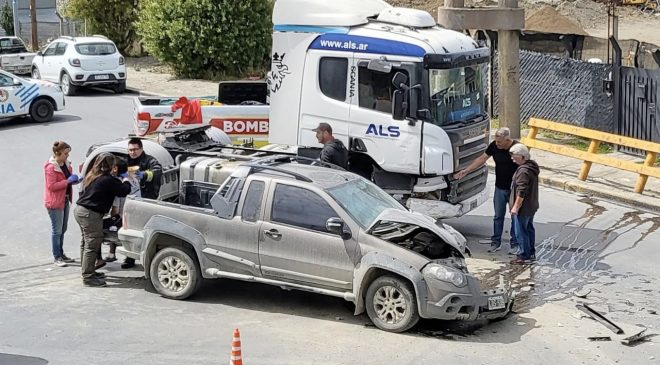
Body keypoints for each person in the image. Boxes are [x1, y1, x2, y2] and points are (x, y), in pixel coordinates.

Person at [454, 127, 519, 254]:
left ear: (507, 140)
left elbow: (525, 166)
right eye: (496, 141)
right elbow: (482, 159)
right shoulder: (494, 146)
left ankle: (515, 243)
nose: (497, 143)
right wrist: (466, 170)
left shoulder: (517, 148)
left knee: (515, 217)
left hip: (514, 188)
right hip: (500, 187)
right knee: (498, 216)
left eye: (500, 142)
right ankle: (496, 242)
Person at [75, 153, 132, 287]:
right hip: (90, 214)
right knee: (92, 244)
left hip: (81, 210)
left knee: (86, 242)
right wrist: (126, 179)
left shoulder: (94, 176)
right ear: (112, 167)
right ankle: (88, 277)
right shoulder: (108, 180)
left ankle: (87, 271)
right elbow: (124, 190)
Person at [122, 137, 163, 268]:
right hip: (130, 200)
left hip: (147, 200)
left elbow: (157, 171)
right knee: (131, 229)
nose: (132, 152)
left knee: (147, 229)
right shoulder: (125, 160)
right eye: (130, 150)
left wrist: (145, 175)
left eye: (135, 149)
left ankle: (149, 258)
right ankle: (130, 257)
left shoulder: (149, 160)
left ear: (141, 149)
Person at [44, 141, 81, 267]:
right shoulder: (51, 168)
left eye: (68, 153)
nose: (67, 156)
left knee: (63, 229)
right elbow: (52, 186)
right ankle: (57, 256)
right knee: (57, 230)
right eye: (65, 153)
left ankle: (61, 253)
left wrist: (75, 180)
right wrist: (67, 181)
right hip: (55, 203)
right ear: (57, 153)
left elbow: (68, 180)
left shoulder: (66, 164)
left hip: (65, 200)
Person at [103, 157, 140, 263]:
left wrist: (113, 216)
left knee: (112, 229)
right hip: (136, 211)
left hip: (124, 215)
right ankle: (129, 258)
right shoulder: (134, 180)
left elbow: (116, 207)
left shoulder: (119, 184)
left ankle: (113, 254)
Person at [509, 143, 540, 265]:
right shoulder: (532, 167)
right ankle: (530, 253)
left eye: (514, 156)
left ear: (522, 156)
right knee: (529, 229)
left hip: (523, 208)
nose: (512, 158)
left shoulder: (523, 171)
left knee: (521, 232)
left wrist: (516, 207)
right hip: (531, 206)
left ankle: (523, 255)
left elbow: (521, 191)